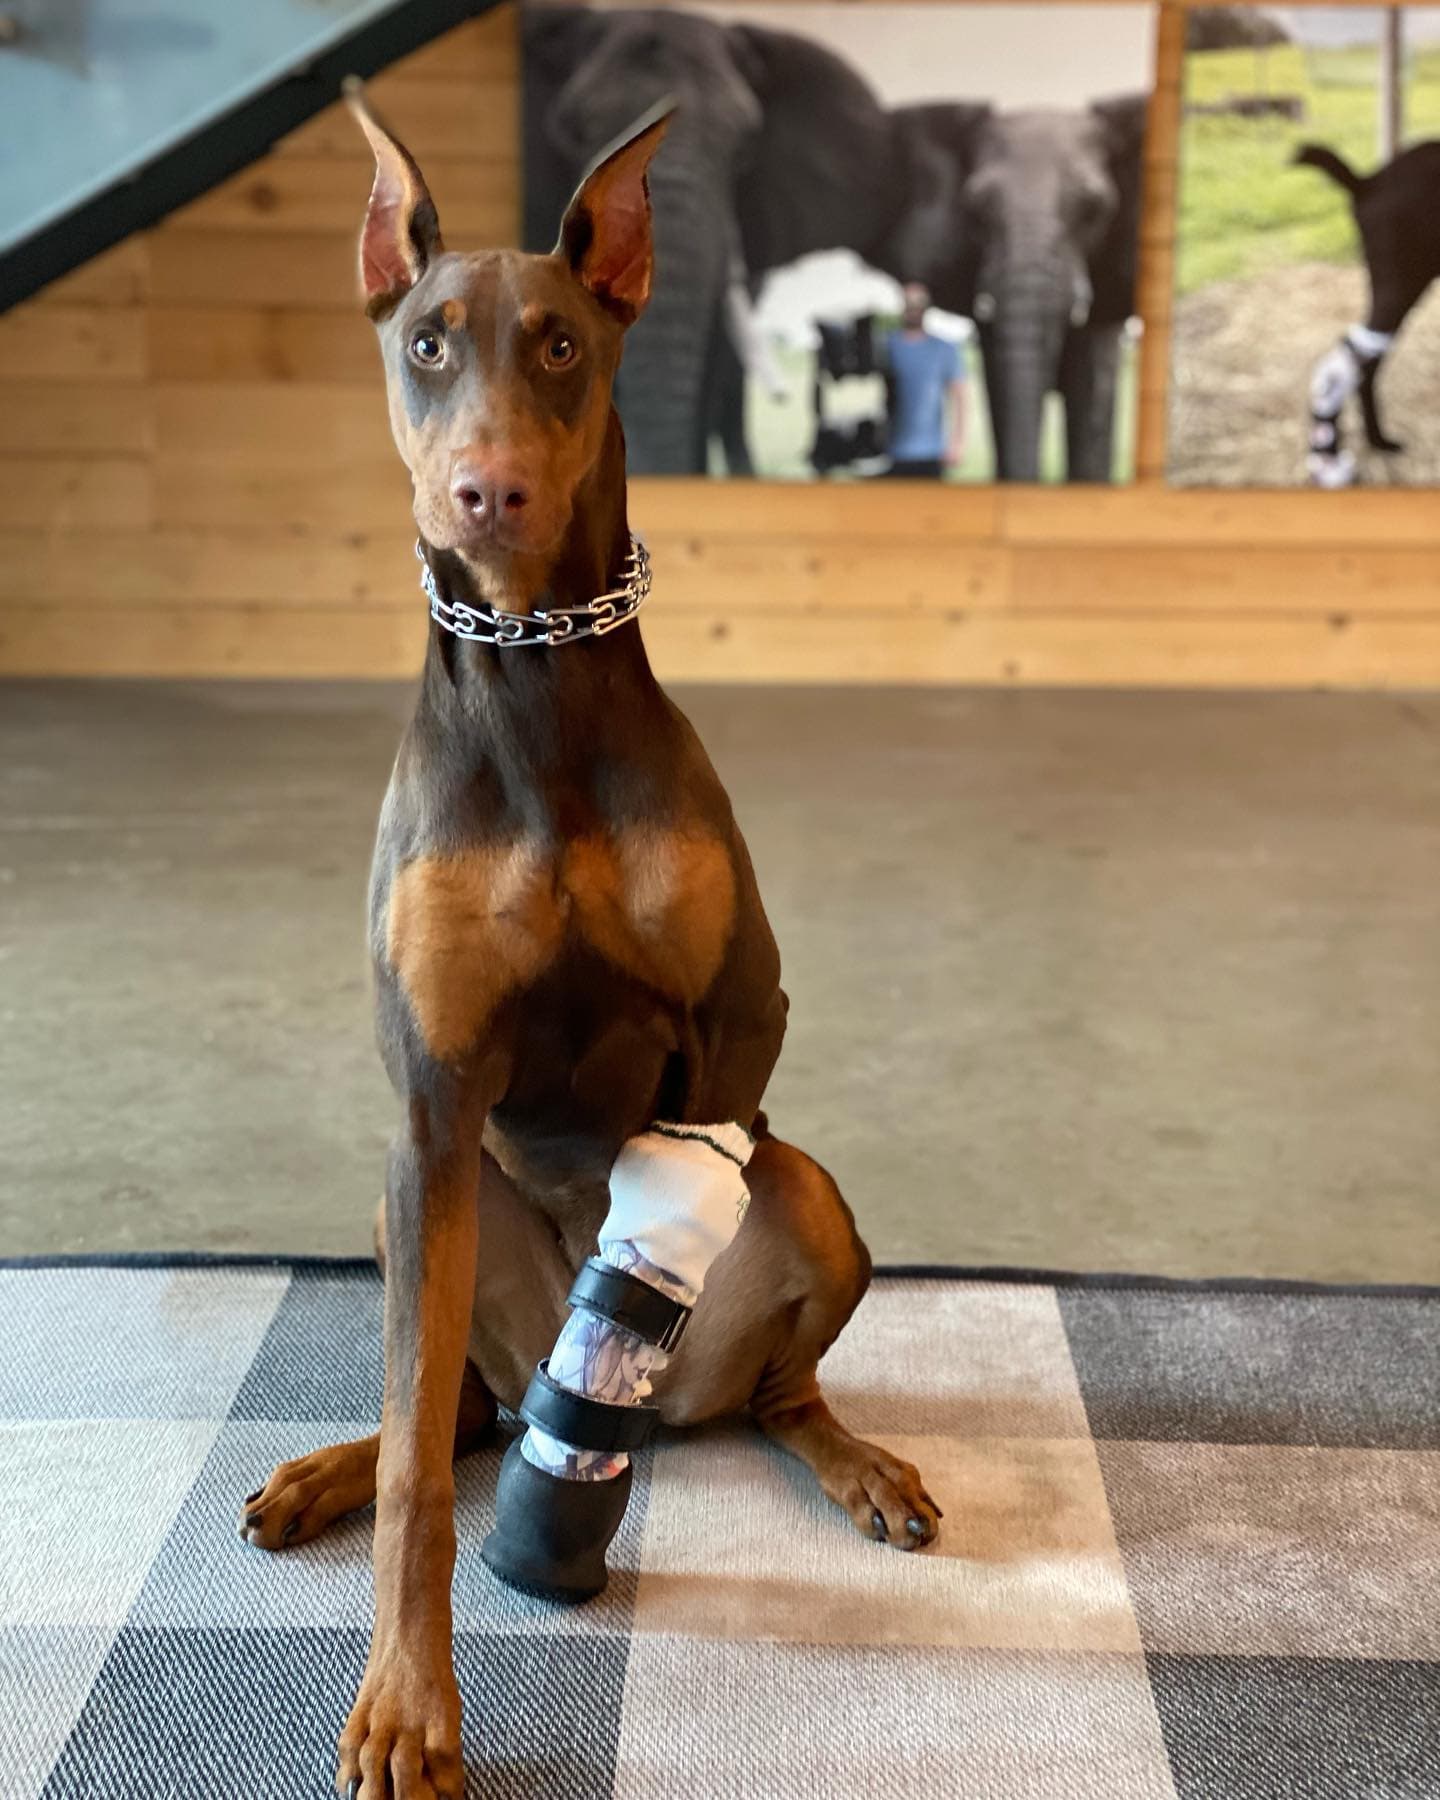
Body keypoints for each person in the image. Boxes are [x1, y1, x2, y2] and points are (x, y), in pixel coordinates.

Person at [884, 282, 966, 478]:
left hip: (932, 452)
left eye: (918, 302)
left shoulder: (944, 349)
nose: (913, 307)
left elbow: (960, 396)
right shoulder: (887, 346)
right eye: (908, 301)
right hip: (891, 451)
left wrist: (957, 443)